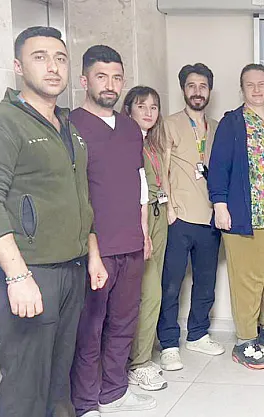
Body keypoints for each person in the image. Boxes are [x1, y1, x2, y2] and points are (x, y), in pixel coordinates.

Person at [0, 26, 95, 417]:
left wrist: (91, 253)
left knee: (59, 382)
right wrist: (17, 275)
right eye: (40, 57)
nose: (52, 67)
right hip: (29, 272)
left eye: (60, 58)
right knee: (26, 384)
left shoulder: (67, 127)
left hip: (70, 269)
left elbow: (81, 198)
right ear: (18, 66)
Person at [69, 45, 156, 416]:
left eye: (117, 77)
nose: (110, 84)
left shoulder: (130, 128)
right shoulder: (70, 126)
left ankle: (114, 392)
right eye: (101, 76)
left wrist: (144, 231)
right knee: (91, 327)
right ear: (84, 80)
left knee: (124, 322)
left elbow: (139, 182)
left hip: (131, 242)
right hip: (95, 247)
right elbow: (73, 193)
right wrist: (90, 249)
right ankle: (86, 402)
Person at [208, 63, 264, 370]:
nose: (257, 89)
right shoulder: (232, 122)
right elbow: (218, 166)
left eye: (262, 84)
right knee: (249, 280)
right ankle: (245, 339)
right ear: (242, 89)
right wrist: (220, 204)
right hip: (248, 217)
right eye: (250, 85)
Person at [157, 63, 224, 373]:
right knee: (171, 284)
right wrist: (169, 209)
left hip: (210, 219)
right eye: (191, 86)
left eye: (203, 86)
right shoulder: (169, 124)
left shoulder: (217, 127)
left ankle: (198, 334)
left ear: (209, 91)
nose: (197, 91)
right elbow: (161, 168)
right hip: (179, 217)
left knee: (205, 283)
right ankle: (169, 343)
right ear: (183, 89)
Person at [123, 86, 170, 391]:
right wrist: (142, 232)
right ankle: (137, 364)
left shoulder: (150, 143)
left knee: (154, 290)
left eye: (154, 107)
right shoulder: (126, 144)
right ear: (129, 110)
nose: (149, 112)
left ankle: (143, 354)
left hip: (158, 216)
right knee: (148, 292)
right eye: (142, 106)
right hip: (140, 222)